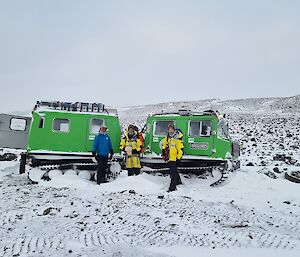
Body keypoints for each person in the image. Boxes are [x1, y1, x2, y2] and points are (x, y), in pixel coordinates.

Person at [161, 124, 184, 192]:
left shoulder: (177, 138)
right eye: (169, 129)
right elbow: (164, 144)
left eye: (171, 129)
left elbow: (180, 149)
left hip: (174, 158)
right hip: (169, 158)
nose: (170, 130)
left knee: (173, 173)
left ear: (174, 129)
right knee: (173, 171)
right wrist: (163, 152)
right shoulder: (167, 138)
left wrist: (178, 158)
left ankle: (172, 188)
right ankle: (178, 181)